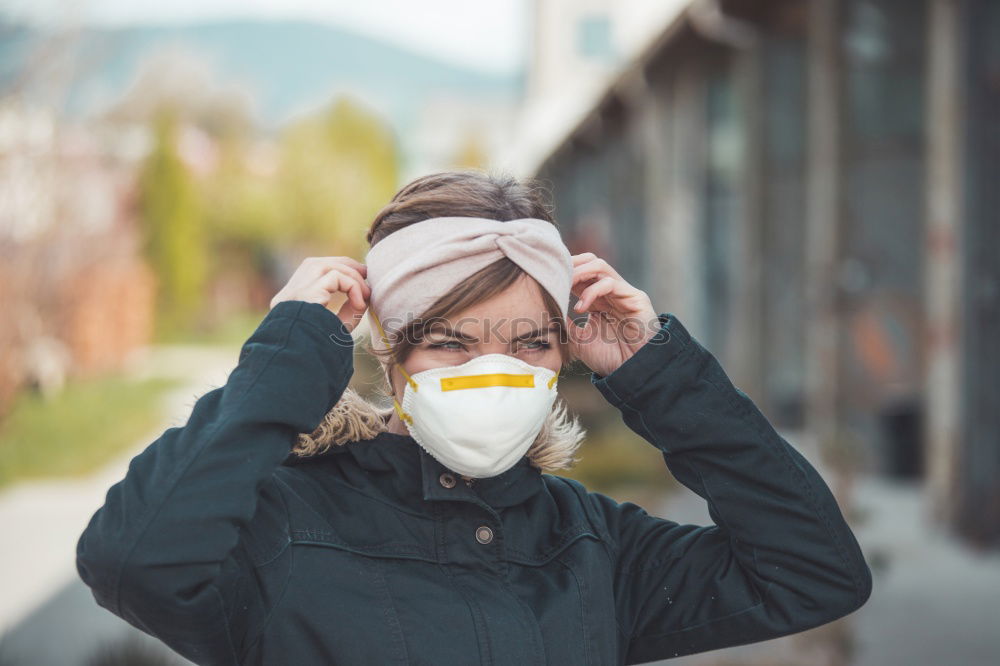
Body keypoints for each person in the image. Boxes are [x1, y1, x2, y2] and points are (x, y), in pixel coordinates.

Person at [76, 170, 872, 665]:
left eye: (530, 342)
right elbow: (131, 561)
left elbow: (814, 573)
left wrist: (658, 370)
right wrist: (286, 358)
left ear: (566, 354)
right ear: (389, 355)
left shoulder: (595, 548)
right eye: (450, 341)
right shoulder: (283, 525)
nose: (494, 372)